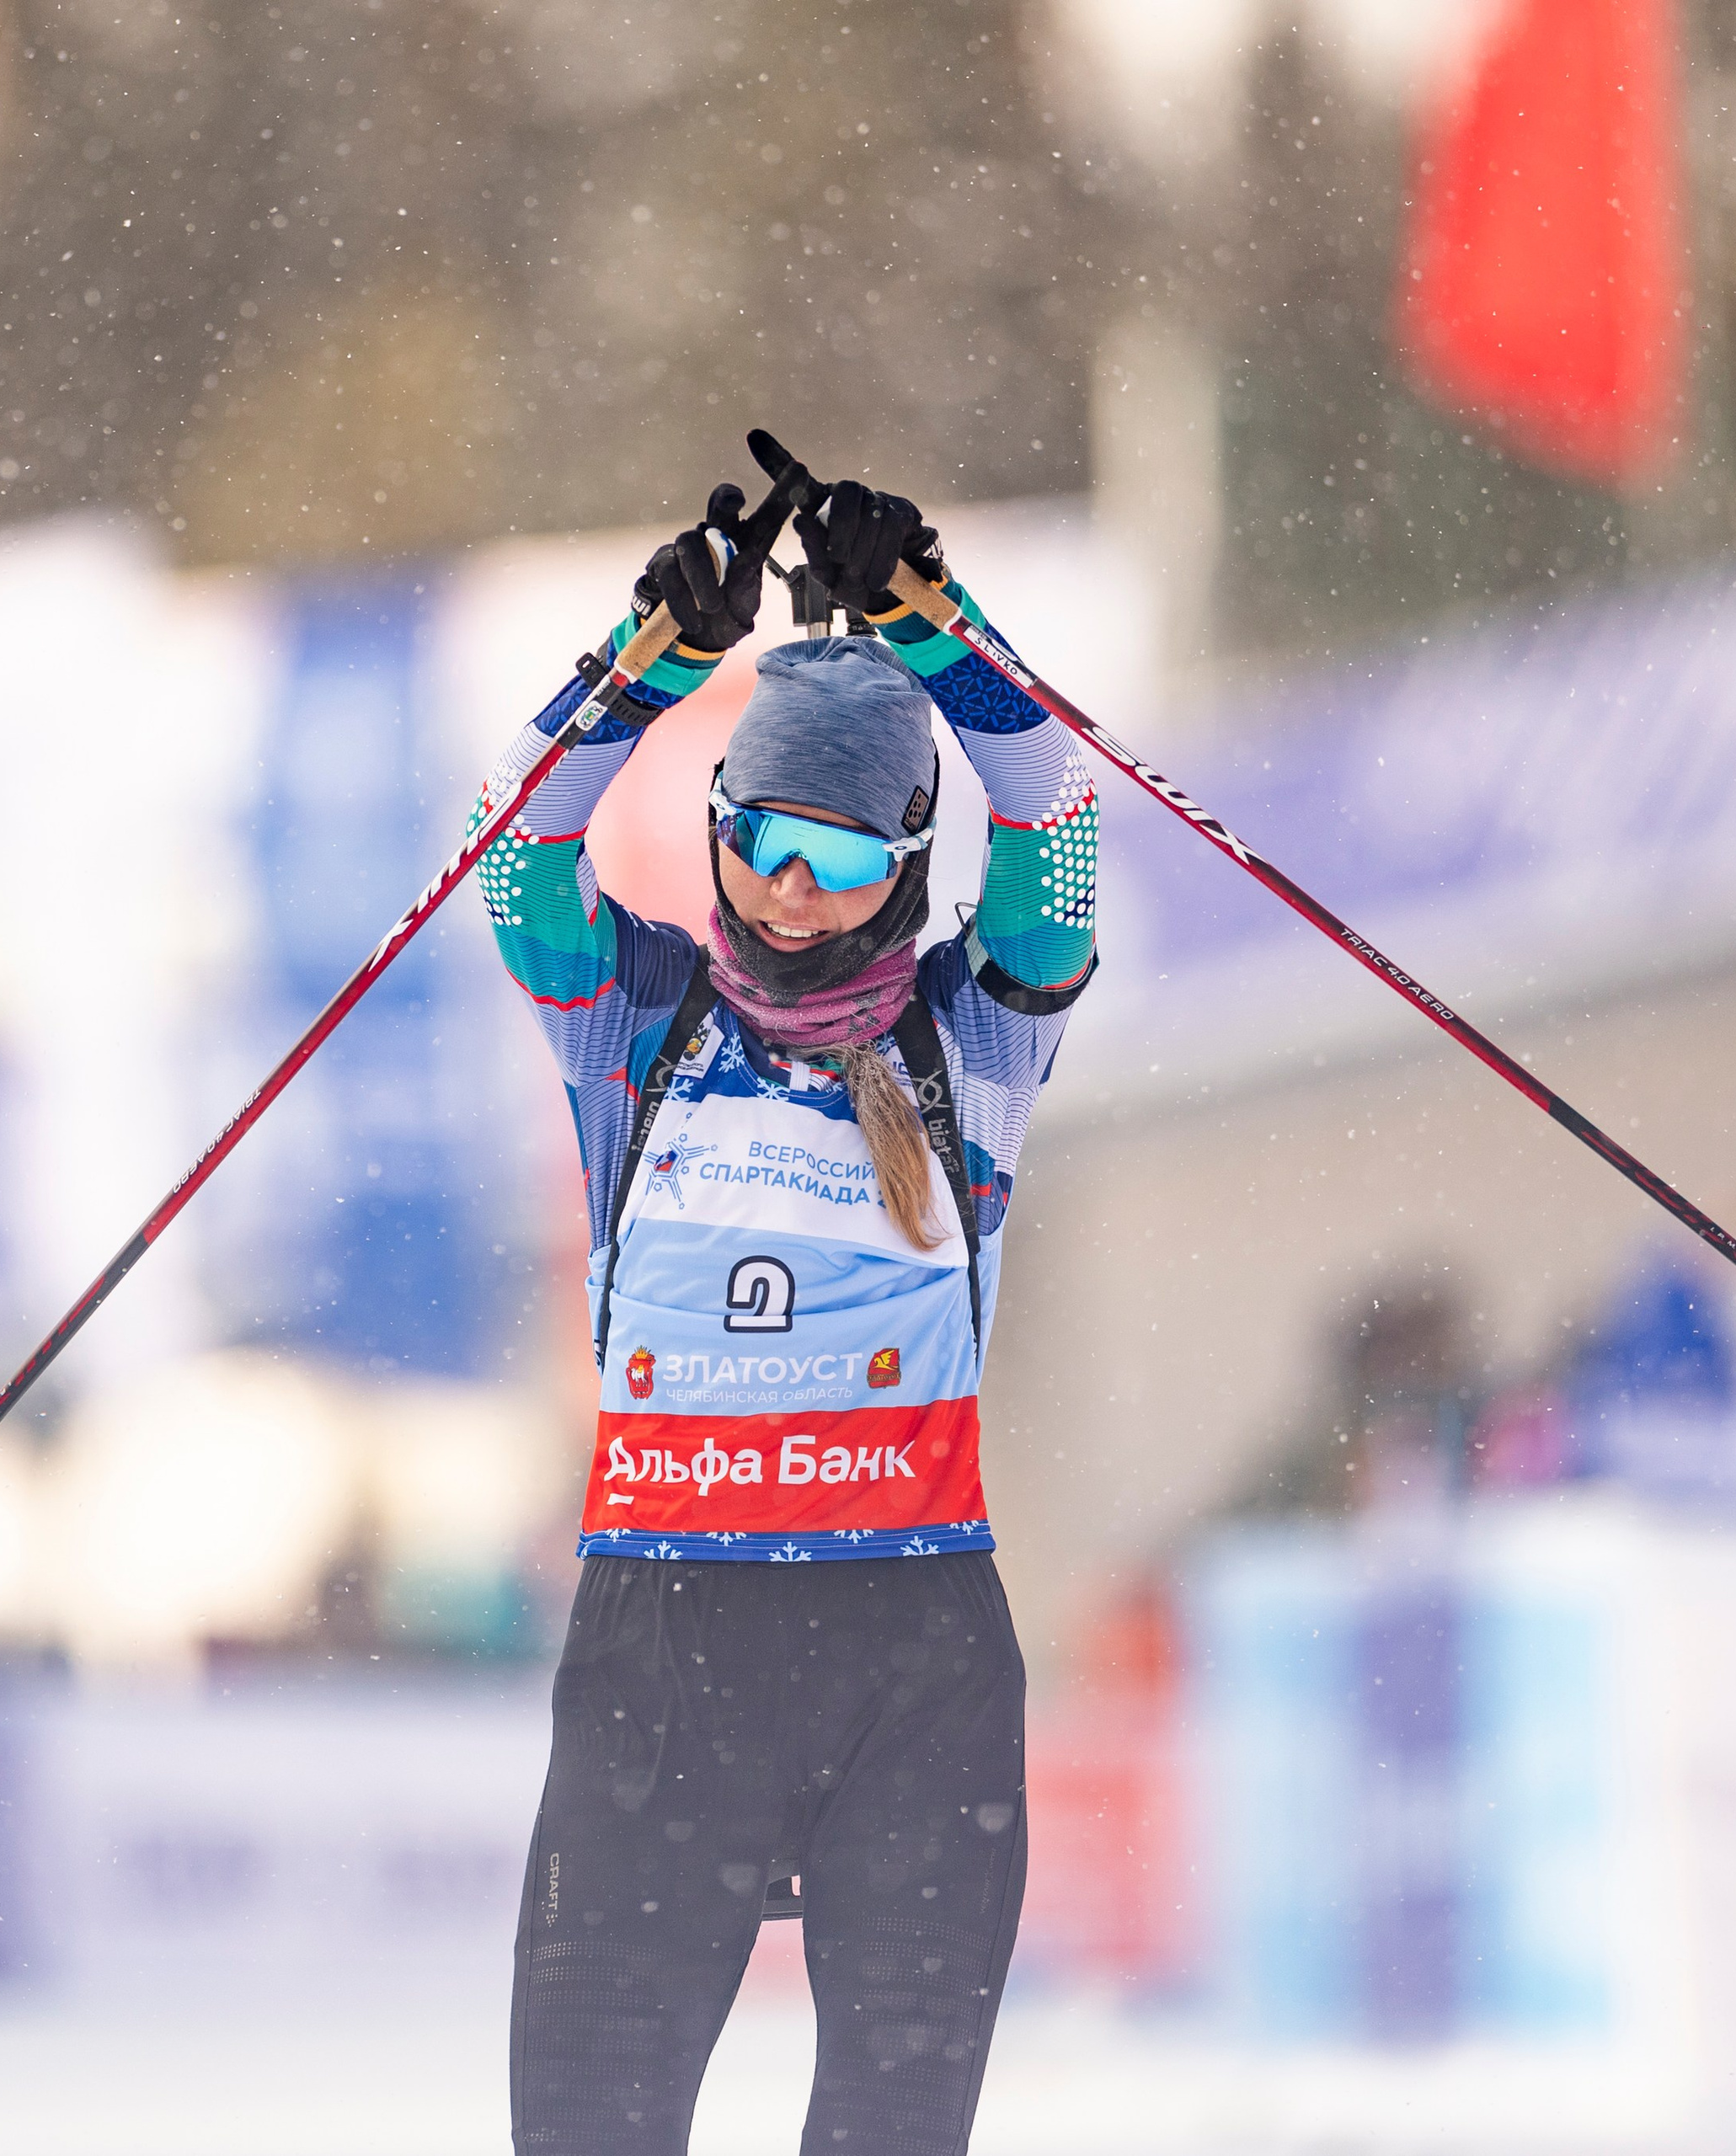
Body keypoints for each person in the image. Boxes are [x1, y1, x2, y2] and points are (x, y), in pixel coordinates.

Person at [472, 465, 1098, 2155]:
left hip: (911, 1658)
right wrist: (650, 657)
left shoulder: (971, 1037)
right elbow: (516, 839)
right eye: (757, 839)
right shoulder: (635, 1023)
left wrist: (935, 629)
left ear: (899, 859)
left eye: (833, 851)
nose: (789, 890)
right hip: (663, 1649)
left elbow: (1065, 829)